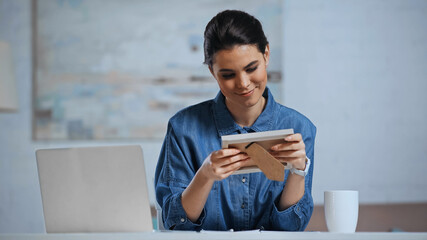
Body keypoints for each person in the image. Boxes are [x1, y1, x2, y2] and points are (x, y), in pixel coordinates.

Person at [154, 10, 316, 231]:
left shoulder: (300, 128)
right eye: (228, 75)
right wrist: (204, 176)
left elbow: (291, 228)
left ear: (266, 54)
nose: (243, 83)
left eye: (251, 68)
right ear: (212, 71)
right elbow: (175, 223)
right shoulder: (182, 129)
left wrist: (298, 171)